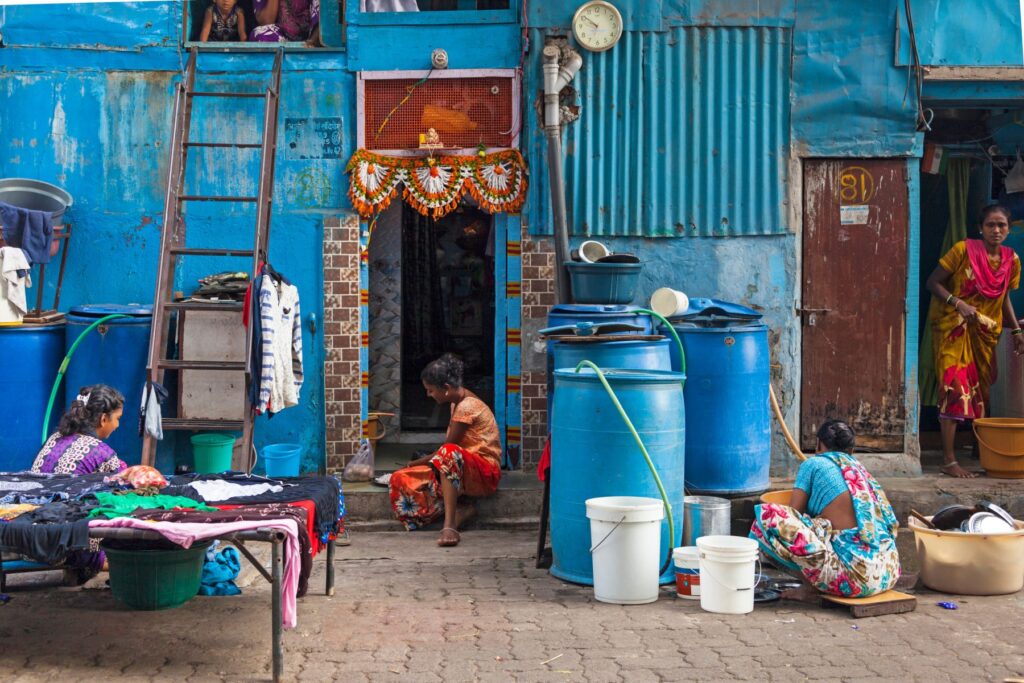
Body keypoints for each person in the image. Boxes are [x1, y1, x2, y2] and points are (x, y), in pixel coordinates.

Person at [749, 420, 900, 599]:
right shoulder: (859, 470)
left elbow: (792, 514)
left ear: (819, 444)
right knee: (821, 526)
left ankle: (810, 588)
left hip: (854, 580)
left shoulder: (813, 464)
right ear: (851, 449)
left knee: (767, 517)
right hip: (889, 572)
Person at [926, 204, 1024, 478]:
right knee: (955, 388)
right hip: (953, 328)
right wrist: (958, 303)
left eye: (1002, 225)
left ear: (1009, 229)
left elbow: (1004, 297)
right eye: (991, 225)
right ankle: (948, 461)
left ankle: (979, 450)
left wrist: (1016, 331)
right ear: (981, 228)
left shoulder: (1012, 260)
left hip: (985, 333)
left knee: (982, 390)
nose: (996, 230)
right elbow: (933, 283)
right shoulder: (962, 250)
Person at [389, 354, 501, 546]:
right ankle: (463, 508)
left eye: (431, 390)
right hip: (463, 468)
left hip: (485, 473)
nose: (428, 395)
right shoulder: (455, 402)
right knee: (400, 478)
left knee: (447, 453)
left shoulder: (467, 406)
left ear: (447, 389)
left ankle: (450, 525)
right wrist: (413, 466)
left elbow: (446, 451)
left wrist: (414, 463)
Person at [32, 385, 127, 476]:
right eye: (117, 418)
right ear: (104, 419)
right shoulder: (103, 454)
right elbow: (122, 479)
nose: (117, 425)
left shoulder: (54, 438)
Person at [250, 0, 321, 45]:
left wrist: (312, 41)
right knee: (259, 34)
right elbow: (267, 21)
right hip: (281, 37)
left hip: (313, 35)